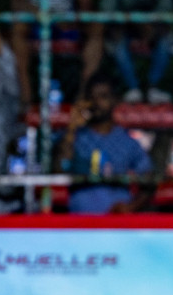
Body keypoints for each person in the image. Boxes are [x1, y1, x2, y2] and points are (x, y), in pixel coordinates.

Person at [59, 77, 155, 214]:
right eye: (92, 98)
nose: (96, 102)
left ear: (114, 100)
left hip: (117, 223)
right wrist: (71, 128)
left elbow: (149, 181)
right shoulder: (77, 137)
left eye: (103, 97)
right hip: (81, 222)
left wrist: (131, 207)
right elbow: (60, 168)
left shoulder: (127, 141)